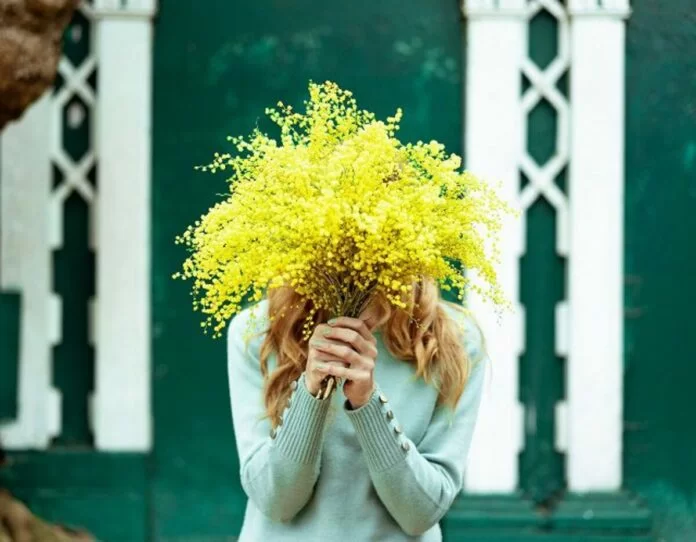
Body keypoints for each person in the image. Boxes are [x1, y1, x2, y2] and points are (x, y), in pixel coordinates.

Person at [227, 277, 487, 541]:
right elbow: (275, 501)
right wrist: (311, 393)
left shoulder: (453, 340)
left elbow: (421, 513)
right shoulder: (260, 331)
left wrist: (367, 403)